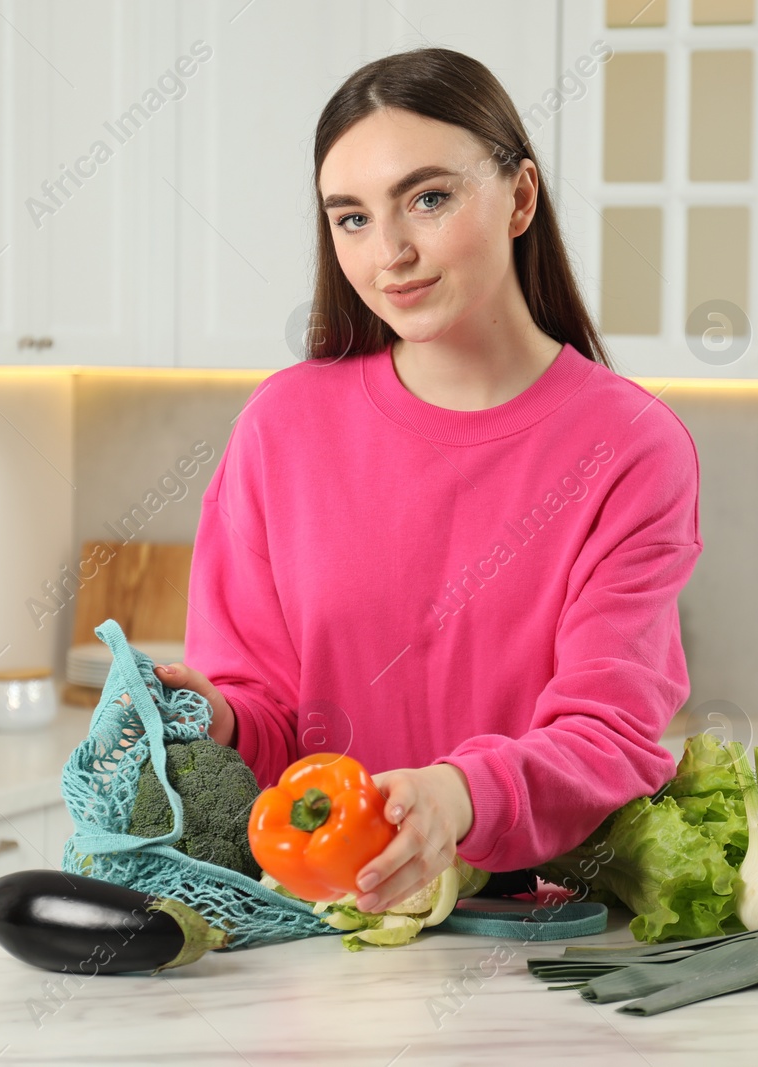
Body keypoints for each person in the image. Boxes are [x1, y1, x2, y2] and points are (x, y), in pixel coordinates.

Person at [153, 47, 702, 916]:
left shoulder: (631, 446)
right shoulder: (282, 426)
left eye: (429, 199)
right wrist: (214, 718)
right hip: (319, 918)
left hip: (538, 934)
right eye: (352, 218)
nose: (390, 253)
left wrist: (455, 798)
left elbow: (609, 736)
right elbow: (270, 720)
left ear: (521, 197)